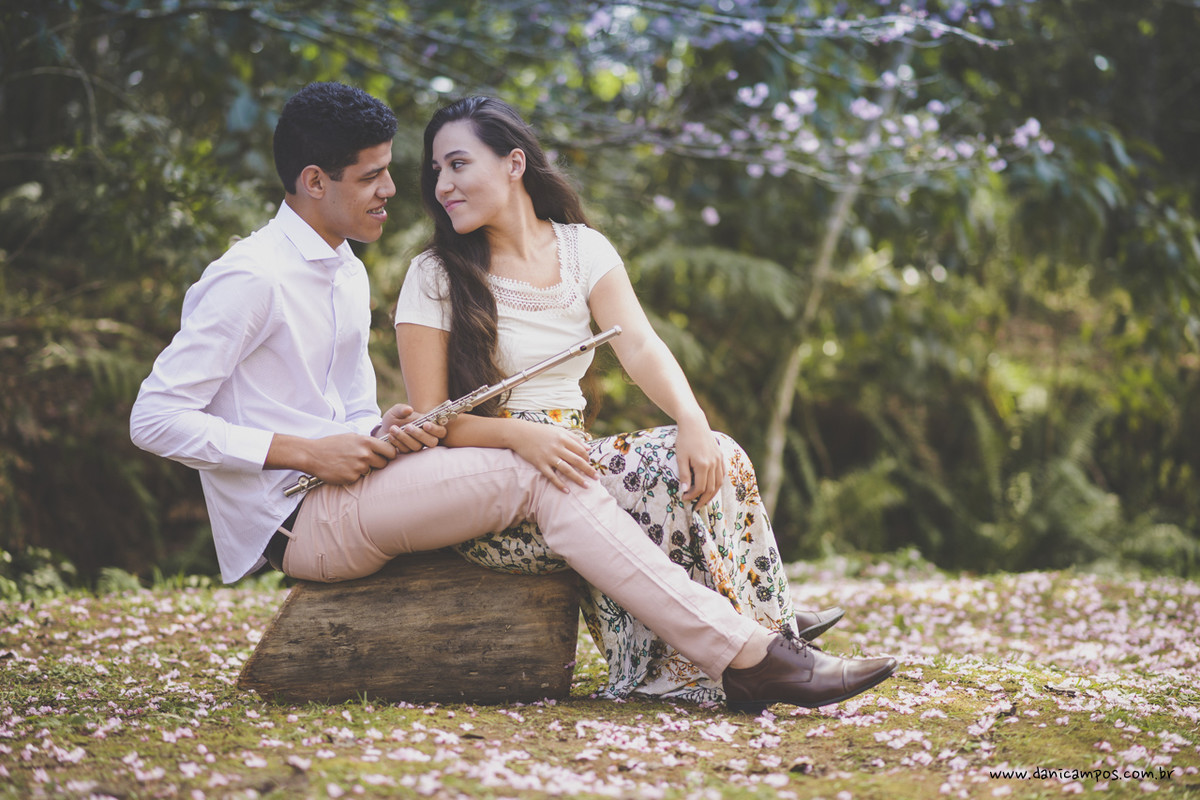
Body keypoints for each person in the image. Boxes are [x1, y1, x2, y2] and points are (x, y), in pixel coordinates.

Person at [130, 81, 895, 715]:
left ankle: (751, 643)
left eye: (394, 171)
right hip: (298, 518)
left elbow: (343, 413)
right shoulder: (250, 277)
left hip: (358, 487)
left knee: (590, 465)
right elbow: (154, 419)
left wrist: (381, 428)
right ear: (313, 182)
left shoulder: (345, 271)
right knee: (542, 470)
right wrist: (310, 451)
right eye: (372, 177)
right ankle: (750, 655)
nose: (397, 190)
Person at [394, 96, 872, 703]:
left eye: (458, 164)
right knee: (653, 467)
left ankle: (760, 637)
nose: (442, 185)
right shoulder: (434, 275)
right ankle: (765, 640)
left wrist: (691, 418)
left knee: (716, 452)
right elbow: (433, 424)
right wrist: (521, 436)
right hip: (491, 491)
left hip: (573, 462)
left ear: (514, 164)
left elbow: (640, 345)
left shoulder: (582, 250)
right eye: (436, 170)